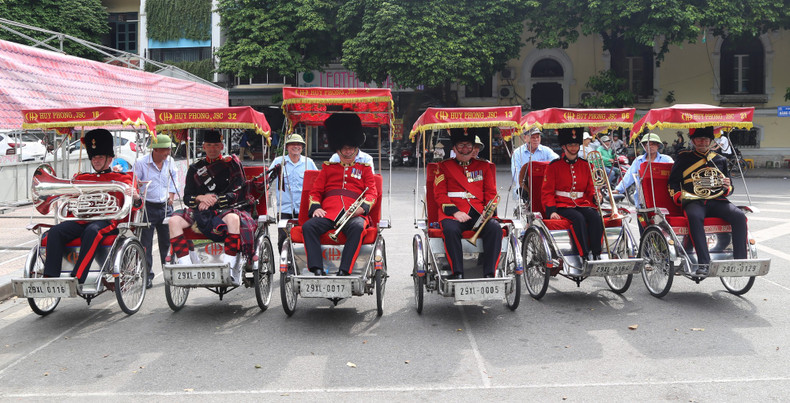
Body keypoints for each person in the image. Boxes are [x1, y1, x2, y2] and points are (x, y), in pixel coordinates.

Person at [42, 129, 137, 282]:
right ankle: (50, 278)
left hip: (108, 222)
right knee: (55, 232)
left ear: (110, 159)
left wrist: (135, 196)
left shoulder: (123, 179)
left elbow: (135, 205)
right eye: (93, 157)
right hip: (81, 220)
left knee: (92, 231)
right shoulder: (81, 178)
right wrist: (65, 199)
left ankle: (78, 277)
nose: (96, 161)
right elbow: (73, 202)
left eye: (100, 157)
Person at [167, 130, 255, 286]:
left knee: (234, 219)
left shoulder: (231, 164)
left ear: (221, 146)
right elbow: (187, 197)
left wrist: (213, 199)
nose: (212, 149)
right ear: (203, 147)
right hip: (199, 210)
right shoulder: (195, 168)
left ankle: (229, 268)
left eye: (215, 145)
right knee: (173, 221)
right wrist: (201, 198)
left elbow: (238, 192)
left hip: (225, 208)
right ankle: (186, 267)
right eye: (209, 145)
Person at [303, 113, 378, 277]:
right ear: (337, 149)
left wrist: (362, 209)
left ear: (356, 147)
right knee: (309, 226)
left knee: (358, 227)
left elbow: (372, 192)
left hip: (353, 214)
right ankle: (317, 269)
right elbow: (315, 191)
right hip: (329, 212)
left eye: (351, 148)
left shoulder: (364, 168)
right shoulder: (328, 168)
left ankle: (345, 270)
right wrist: (315, 207)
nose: (348, 151)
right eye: (344, 148)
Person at [668, 126, 746, 276]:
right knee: (695, 217)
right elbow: (672, 183)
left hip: (717, 200)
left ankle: (740, 261)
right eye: (699, 139)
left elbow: (728, 187)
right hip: (694, 201)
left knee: (739, 216)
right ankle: (703, 263)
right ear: (693, 141)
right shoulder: (684, 158)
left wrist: (727, 187)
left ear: (711, 141)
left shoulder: (720, 159)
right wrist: (679, 197)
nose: (702, 142)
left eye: (706, 139)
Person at [434, 128, 501, 279]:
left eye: (468, 146)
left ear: (473, 147)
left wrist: (488, 210)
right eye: (461, 146)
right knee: (450, 230)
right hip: (453, 214)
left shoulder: (483, 167)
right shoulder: (443, 167)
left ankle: (490, 273)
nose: (465, 149)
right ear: (454, 148)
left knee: (495, 228)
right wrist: (455, 212)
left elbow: (491, 193)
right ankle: (457, 272)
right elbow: (440, 195)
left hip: (479, 214)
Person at [541, 127, 603, 261]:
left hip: (581, 202)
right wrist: (551, 210)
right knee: (578, 218)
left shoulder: (586, 165)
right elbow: (547, 191)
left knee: (595, 217)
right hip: (562, 205)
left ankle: (597, 253)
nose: (574, 147)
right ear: (564, 146)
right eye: (570, 144)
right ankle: (584, 255)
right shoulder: (554, 166)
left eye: (576, 144)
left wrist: (596, 196)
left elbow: (591, 187)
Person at [134, 134, 178, 289]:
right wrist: (137, 190)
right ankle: (147, 275)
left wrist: (172, 195)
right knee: (145, 244)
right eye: (165, 149)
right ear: (156, 149)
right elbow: (134, 183)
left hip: (166, 207)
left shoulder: (170, 162)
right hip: (147, 207)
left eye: (169, 149)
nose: (168, 152)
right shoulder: (141, 163)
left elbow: (174, 179)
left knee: (167, 242)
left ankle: (169, 272)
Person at [268, 134, 317, 252]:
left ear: (302, 147)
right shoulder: (279, 161)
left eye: (299, 144)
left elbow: (318, 183)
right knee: (283, 238)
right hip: (284, 208)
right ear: (287, 147)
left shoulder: (308, 162)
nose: (296, 146)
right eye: (293, 144)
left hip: (303, 208)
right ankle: (285, 265)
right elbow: (267, 180)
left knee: (304, 236)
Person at [613, 133, 674, 209]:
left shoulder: (666, 159)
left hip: (662, 197)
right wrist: (618, 189)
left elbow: (675, 175)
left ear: (658, 146)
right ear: (644, 146)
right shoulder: (638, 160)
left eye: (653, 144)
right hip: (642, 199)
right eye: (647, 144)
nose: (650, 146)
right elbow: (628, 176)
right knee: (642, 219)